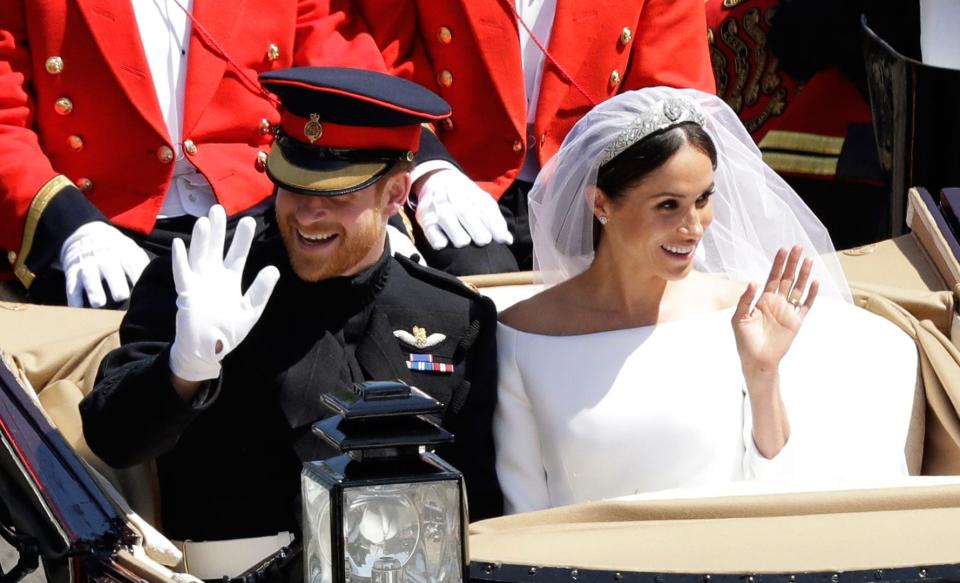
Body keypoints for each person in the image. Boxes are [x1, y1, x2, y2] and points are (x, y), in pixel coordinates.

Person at [79, 67, 501, 578]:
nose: (307, 214)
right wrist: (183, 369)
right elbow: (113, 439)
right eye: (294, 187)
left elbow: (475, 507)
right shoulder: (204, 281)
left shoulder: (451, 316)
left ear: (394, 196)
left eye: (337, 197)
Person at [494, 87, 919, 514]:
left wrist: (763, 372)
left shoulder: (745, 314)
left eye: (703, 199)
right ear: (601, 203)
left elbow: (785, 492)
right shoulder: (522, 337)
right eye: (668, 205)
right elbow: (521, 512)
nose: (694, 226)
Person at [0, 0, 506, 308]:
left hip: (262, 210)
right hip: (106, 227)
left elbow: (336, 58)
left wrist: (424, 167)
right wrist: (69, 227)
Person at [354, 0, 716, 273]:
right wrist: (430, 168)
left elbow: (669, 87)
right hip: (458, 171)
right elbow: (385, 52)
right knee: (473, 292)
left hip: (596, 181)